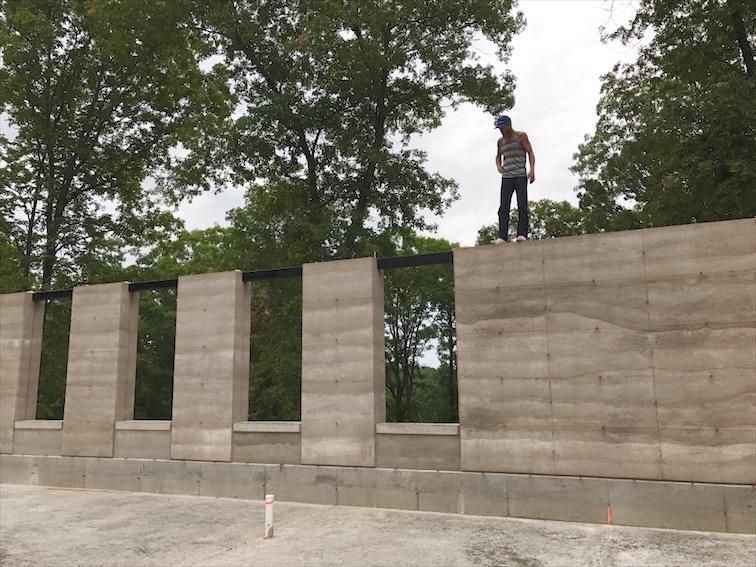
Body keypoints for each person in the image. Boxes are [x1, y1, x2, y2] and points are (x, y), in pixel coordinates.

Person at [492, 115, 535, 243]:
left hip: (520, 174)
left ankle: (522, 233)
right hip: (507, 176)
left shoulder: (521, 136)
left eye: (502, 127)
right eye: (499, 128)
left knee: (522, 204)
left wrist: (532, 170)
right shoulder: (500, 141)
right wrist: (499, 166)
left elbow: (531, 153)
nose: (501, 130)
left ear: (509, 125)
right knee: (504, 206)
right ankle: (502, 236)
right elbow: (497, 156)